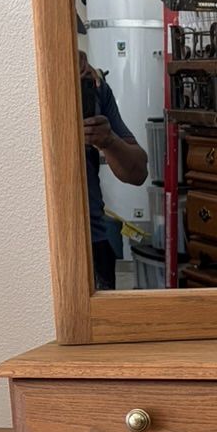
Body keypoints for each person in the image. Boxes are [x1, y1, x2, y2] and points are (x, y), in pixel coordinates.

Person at [80, 49, 148, 290]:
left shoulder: (94, 87)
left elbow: (138, 173)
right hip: (30, 243)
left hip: (93, 243)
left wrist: (108, 140)